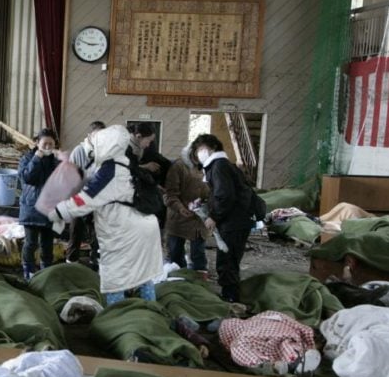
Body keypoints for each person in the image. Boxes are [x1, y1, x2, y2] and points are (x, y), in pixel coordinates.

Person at [51, 124, 163, 304]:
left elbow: (86, 199)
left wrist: (59, 211)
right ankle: (150, 311)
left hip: (124, 231)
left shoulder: (110, 169)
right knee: (142, 275)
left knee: (115, 278)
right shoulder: (124, 163)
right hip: (141, 227)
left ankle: (116, 317)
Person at [194, 133, 253, 303]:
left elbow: (225, 195)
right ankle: (231, 295)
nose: (199, 153)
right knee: (230, 261)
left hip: (233, 223)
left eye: (201, 149)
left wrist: (214, 216)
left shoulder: (219, 166)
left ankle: (231, 299)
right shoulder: (222, 165)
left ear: (212, 148)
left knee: (227, 262)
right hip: (236, 221)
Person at [17, 128, 60, 280]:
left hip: (50, 209)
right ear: (37, 143)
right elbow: (27, 178)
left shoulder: (56, 161)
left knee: (47, 245)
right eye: (45, 144)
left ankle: (45, 274)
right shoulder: (27, 158)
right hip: (31, 207)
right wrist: (37, 157)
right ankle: (28, 272)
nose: (48, 146)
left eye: (51, 143)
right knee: (30, 243)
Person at [163, 143, 210, 273]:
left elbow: (213, 189)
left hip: (199, 218)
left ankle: (199, 280)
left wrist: (208, 203)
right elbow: (170, 194)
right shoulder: (179, 166)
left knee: (198, 255)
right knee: (175, 255)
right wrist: (180, 208)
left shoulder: (208, 167)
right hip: (178, 218)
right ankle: (178, 280)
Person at [65, 120, 104, 266]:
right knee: (76, 232)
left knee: (96, 233)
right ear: (89, 135)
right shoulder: (78, 151)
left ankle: (95, 262)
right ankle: (71, 262)